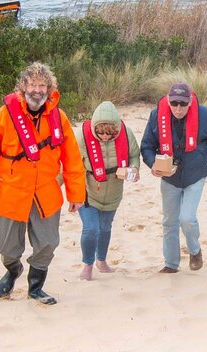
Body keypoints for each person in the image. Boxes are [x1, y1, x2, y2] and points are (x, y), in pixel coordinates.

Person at [0, 62, 86, 305]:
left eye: (42, 85)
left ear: (49, 88)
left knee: (48, 242)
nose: (37, 90)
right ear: (23, 87)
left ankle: (35, 287)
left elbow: (73, 160)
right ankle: (12, 270)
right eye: (32, 84)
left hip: (46, 192)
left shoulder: (59, 117)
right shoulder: (4, 116)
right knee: (7, 245)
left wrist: (77, 195)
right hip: (11, 191)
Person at [140, 82, 207, 273]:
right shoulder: (156, 116)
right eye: (174, 103)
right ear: (168, 101)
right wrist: (153, 164)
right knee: (169, 222)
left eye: (183, 104)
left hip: (196, 174)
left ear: (190, 101)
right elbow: (146, 146)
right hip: (170, 179)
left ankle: (195, 251)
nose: (178, 108)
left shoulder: (204, 114)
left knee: (187, 218)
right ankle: (171, 264)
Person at [75, 101, 140, 281]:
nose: (104, 136)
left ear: (116, 129)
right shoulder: (81, 136)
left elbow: (134, 155)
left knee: (105, 228)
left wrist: (134, 169)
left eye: (110, 133)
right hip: (88, 192)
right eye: (100, 132)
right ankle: (88, 265)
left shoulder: (126, 134)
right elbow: (69, 165)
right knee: (91, 229)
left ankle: (101, 261)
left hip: (114, 192)